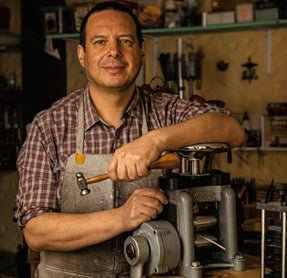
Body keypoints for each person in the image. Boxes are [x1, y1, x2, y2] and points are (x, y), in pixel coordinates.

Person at [16, 2, 245, 277]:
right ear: (82, 55)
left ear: (142, 51)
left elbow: (232, 130)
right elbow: (36, 230)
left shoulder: (167, 112)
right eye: (100, 42)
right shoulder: (48, 126)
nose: (114, 51)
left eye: (125, 41)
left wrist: (155, 140)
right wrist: (121, 218)